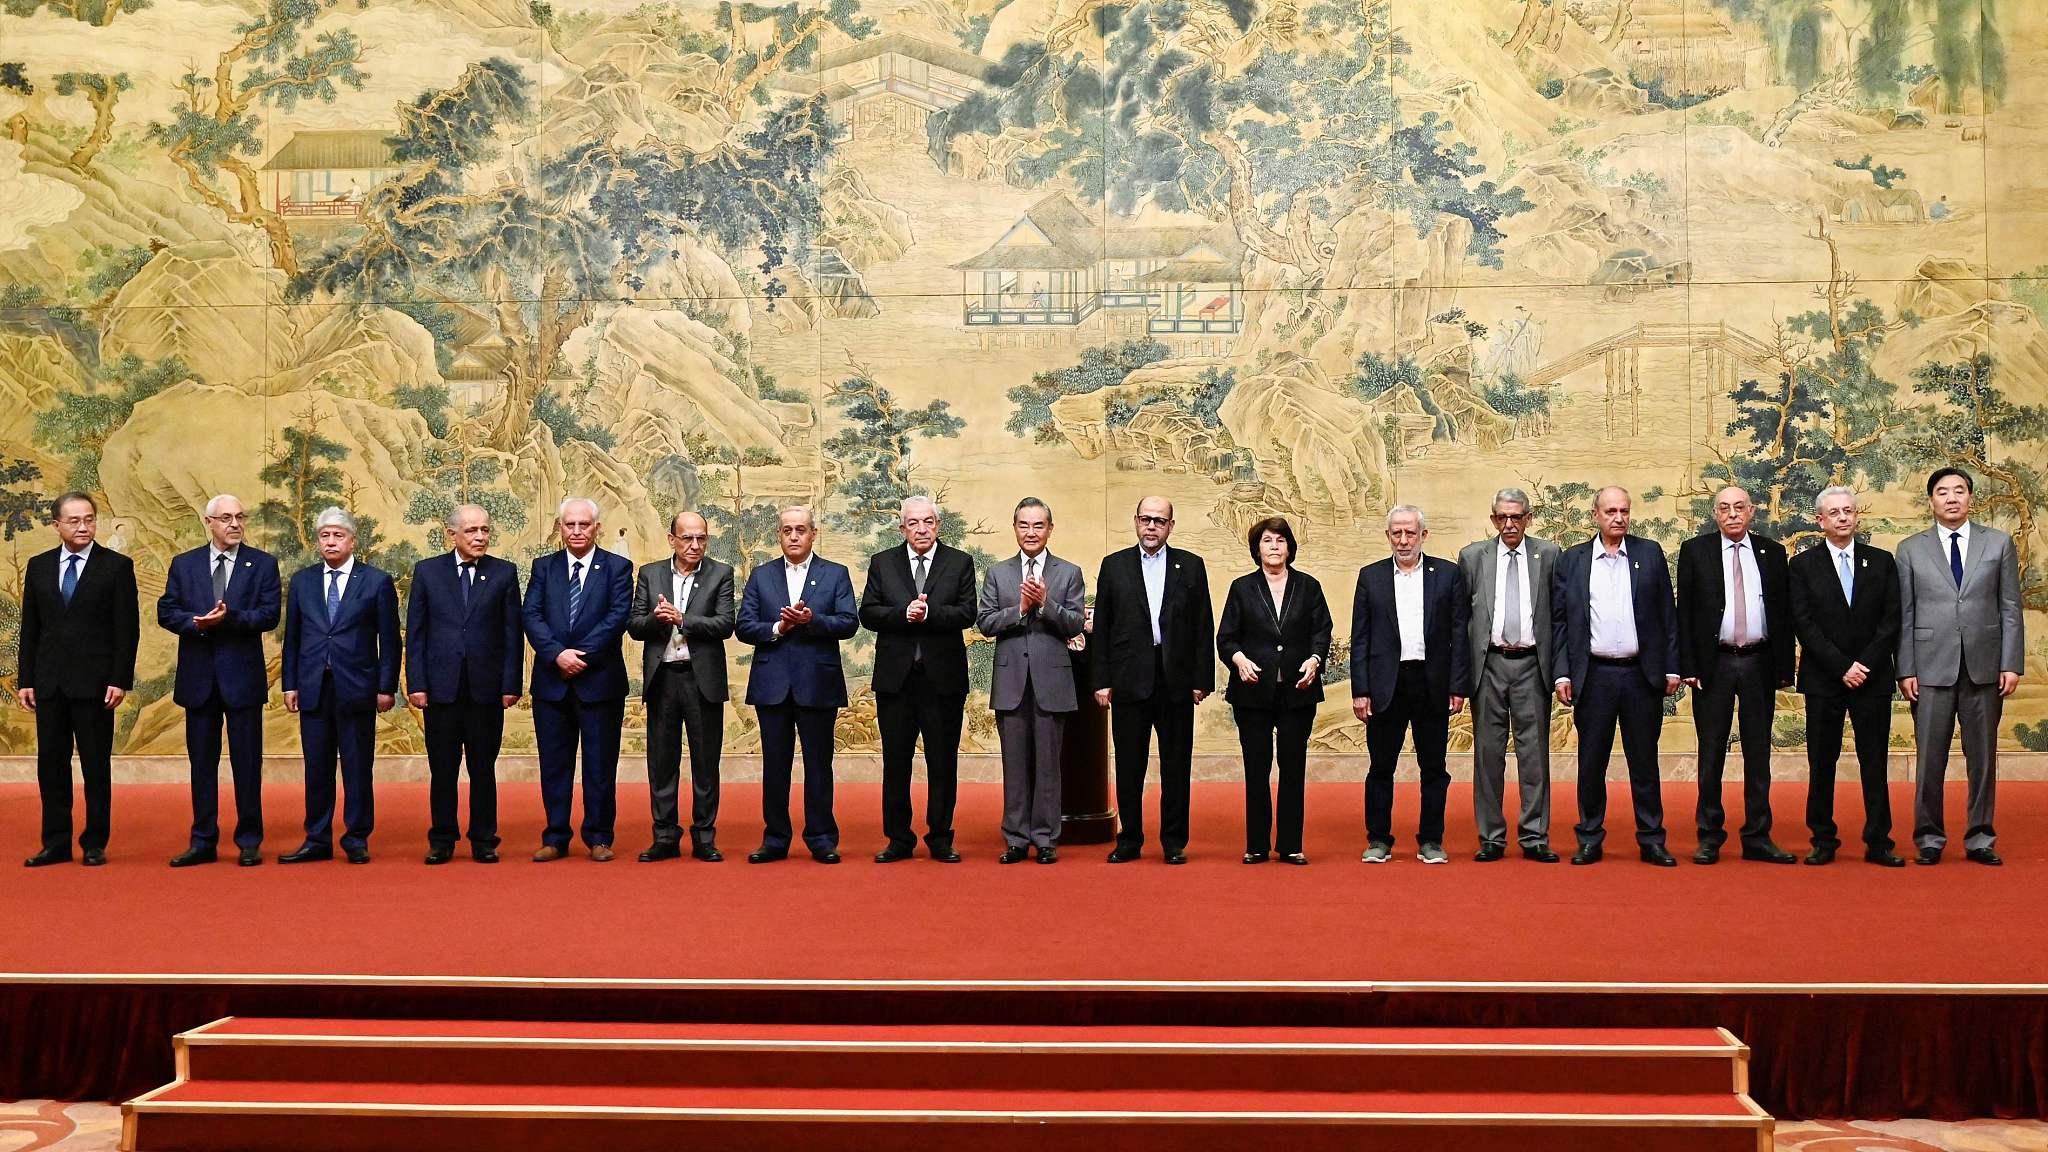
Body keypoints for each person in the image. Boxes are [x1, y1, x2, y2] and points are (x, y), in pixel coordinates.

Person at [1897, 467, 2024, 866]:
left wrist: (2011, 663)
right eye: (1942, 492)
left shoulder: (1998, 544)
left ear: (1971, 497)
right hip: (1930, 666)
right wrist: (1905, 668)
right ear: (1931, 500)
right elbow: (1905, 613)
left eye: (1959, 491)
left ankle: (1980, 837)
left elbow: (2010, 608)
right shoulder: (1910, 549)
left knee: (1983, 758)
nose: (1951, 498)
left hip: (1985, 667)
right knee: (1930, 758)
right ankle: (1929, 838)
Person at [1552, 486, 1680, 866]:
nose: (1618, 518)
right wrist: (1562, 673)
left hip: (1641, 676)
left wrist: (1672, 666)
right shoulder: (1573, 560)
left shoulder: (1649, 553)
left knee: (1645, 761)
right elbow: (1561, 622)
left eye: (1624, 510)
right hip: (1594, 676)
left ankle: (1652, 838)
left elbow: (1667, 616)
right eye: (1610, 511)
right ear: (1596, 515)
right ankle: (1589, 837)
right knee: (1592, 763)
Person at [158, 494, 279, 868]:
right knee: (202, 765)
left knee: (247, 763)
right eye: (226, 518)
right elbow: (167, 610)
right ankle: (203, 840)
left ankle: (248, 840)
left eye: (240, 517)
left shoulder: (261, 564)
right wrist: (195, 623)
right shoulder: (185, 564)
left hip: (242, 679)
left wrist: (229, 619)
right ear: (208, 523)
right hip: (199, 680)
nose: (235, 524)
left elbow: (269, 614)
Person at [1677, 485, 1797, 865]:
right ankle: (1709, 835)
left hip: (1759, 662)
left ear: (1752, 512)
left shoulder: (1773, 553)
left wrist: (1783, 665)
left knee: (1758, 753)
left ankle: (1758, 835)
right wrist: (1689, 666)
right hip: (1714, 664)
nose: (1732, 514)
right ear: (1715, 514)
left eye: (1739, 507)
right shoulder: (1696, 552)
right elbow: (1685, 614)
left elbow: (1783, 613)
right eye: (1724, 508)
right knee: (1711, 751)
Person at [18, 492, 138, 868]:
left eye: (89, 519)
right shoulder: (38, 567)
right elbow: (31, 629)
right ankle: (55, 842)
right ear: (56, 526)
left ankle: (94, 842)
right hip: (49, 683)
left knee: (95, 765)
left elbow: (127, 629)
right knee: (50, 765)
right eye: (74, 521)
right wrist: (26, 679)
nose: (83, 526)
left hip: (96, 685)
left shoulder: (116, 566)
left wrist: (119, 679)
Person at [1093, 496, 1214, 864]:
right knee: (1130, 765)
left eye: (1160, 521)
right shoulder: (1114, 566)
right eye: (1146, 519)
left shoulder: (1190, 566)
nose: (1152, 526)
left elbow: (1202, 625)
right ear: (1135, 521)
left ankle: (1174, 841)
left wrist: (1201, 679)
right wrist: (1102, 679)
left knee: (1177, 764)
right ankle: (1129, 839)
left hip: (1175, 679)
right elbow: (1103, 628)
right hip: (1130, 679)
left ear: (1171, 526)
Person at [737, 505, 859, 864]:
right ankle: (775, 839)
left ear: (813, 534)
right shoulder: (761, 576)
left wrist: (811, 620)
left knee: (819, 764)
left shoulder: (835, 574)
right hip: (772, 683)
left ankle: (821, 837)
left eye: (801, 530)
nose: (794, 536)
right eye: (787, 530)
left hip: (817, 683)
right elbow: (744, 626)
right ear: (779, 535)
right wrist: (779, 628)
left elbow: (849, 622)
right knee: (775, 765)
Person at [1788, 486, 1903, 867]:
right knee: (1822, 762)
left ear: (1857, 516)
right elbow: (1803, 623)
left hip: (1871, 678)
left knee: (1875, 761)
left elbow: (1891, 621)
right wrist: (1841, 666)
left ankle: (1879, 840)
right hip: (1825, 679)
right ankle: (1822, 838)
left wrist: (1863, 665)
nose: (1842, 517)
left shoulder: (1882, 561)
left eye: (1848, 511)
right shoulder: (1803, 565)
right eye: (1834, 512)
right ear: (1820, 520)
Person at [279, 507, 400, 865]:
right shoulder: (303, 581)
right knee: (316, 767)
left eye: (338, 535)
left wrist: (386, 686)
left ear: (352, 540)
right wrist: (290, 684)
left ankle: (357, 837)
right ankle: (316, 838)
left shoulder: (376, 581)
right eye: (324, 536)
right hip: (314, 686)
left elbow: (390, 641)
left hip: (358, 687)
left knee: (357, 766)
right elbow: (294, 638)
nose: (331, 542)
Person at [1349, 505, 1469, 864]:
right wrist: (1361, 690)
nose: (1403, 540)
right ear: (1388, 536)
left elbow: (1459, 633)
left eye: (1410, 533)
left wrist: (1458, 685)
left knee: (1434, 767)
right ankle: (1379, 839)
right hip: (1387, 683)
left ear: (1423, 536)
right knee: (1380, 766)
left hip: (1432, 682)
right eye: (1396, 533)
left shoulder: (1447, 575)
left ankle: (1431, 840)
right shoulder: (1371, 577)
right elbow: (1361, 638)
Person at [860, 496, 977, 863]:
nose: (921, 529)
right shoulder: (883, 563)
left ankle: (941, 837)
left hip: (943, 680)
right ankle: (898, 839)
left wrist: (929, 613)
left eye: (928, 522)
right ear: (902, 528)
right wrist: (902, 613)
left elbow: (967, 612)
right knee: (896, 762)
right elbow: (868, 612)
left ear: (938, 525)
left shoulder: (959, 562)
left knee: (943, 762)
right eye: (913, 523)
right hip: (896, 681)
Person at [405, 504, 522, 866]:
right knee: (442, 768)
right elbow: (418, 634)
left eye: (485, 530)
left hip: (486, 691)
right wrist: (417, 684)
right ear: (451, 535)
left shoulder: (503, 573)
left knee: (483, 768)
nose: (480, 537)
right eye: (471, 531)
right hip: (440, 689)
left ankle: (484, 838)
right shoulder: (428, 572)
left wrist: (510, 684)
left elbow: (512, 634)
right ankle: (442, 838)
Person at [522, 497, 632, 862]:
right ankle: (555, 837)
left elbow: (617, 618)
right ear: (560, 527)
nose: (577, 531)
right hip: (552, 683)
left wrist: (579, 655)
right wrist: (557, 654)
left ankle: (599, 837)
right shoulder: (544, 567)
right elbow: (531, 615)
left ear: (597, 527)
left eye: (584, 525)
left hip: (599, 682)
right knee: (554, 765)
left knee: (600, 765)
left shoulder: (617, 567)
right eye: (570, 525)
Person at [1456, 488, 1563, 863]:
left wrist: (1560, 671)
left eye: (1517, 517)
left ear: (1529, 518)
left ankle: (1534, 835)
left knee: (1534, 755)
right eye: (1502, 517)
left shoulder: (1548, 555)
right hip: (1489, 665)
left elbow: (1559, 617)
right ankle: (1491, 837)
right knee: (1488, 754)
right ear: (1493, 519)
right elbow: (1462, 620)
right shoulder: (1472, 557)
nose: (1509, 524)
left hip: (1533, 665)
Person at [978, 497, 1086, 864]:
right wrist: (1020, 609)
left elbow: (1074, 623)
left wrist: (1045, 604)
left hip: (1051, 682)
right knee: (1015, 764)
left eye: (1038, 525)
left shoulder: (1068, 572)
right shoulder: (998, 573)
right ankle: (1015, 837)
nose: (1031, 532)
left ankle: (1046, 838)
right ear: (1015, 529)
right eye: (1024, 525)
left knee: (1048, 766)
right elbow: (986, 623)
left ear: (1050, 529)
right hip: (1011, 684)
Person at [1217, 517, 1330, 865]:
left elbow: (1321, 631)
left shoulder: (1309, 586)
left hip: (1298, 689)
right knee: (1257, 767)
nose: (1275, 546)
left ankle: (1291, 845)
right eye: (1267, 540)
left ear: (1290, 547)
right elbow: (1226, 638)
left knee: (1293, 768)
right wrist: (1239, 660)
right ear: (1257, 548)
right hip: (1253, 692)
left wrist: (1315, 659)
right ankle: (1256, 845)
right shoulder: (1242, 588)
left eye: (1281, 540)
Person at [626, 510, 735, 862]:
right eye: (687, 538)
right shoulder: (651, 573)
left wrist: (683, 619)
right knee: (661, 762)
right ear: (671, 539)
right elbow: (634, 625)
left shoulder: (721, 573)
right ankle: (664, 836)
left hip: (701, 679)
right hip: (663, 680)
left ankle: (704, 837)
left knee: (705, 763)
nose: (695, 545)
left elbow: (725, 624)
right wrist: (658, 621)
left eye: (701, 538)